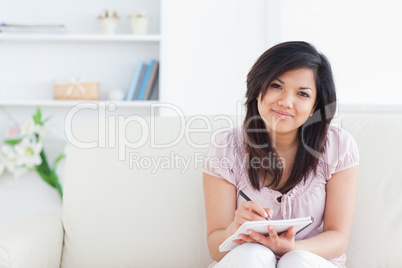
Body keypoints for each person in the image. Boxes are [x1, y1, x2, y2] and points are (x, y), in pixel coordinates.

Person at [202, 41, 359, 268]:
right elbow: (215, 248)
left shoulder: (338, 146)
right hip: (245, 262)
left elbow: (337, 239)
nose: (286, 102)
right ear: (258, 89)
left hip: (310, 260)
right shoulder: (224, 147)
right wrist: (234, 228)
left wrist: (292, 249)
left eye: (302, 94)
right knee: (253, 254)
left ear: (316, 105)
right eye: (276, 86)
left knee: (296, 261)